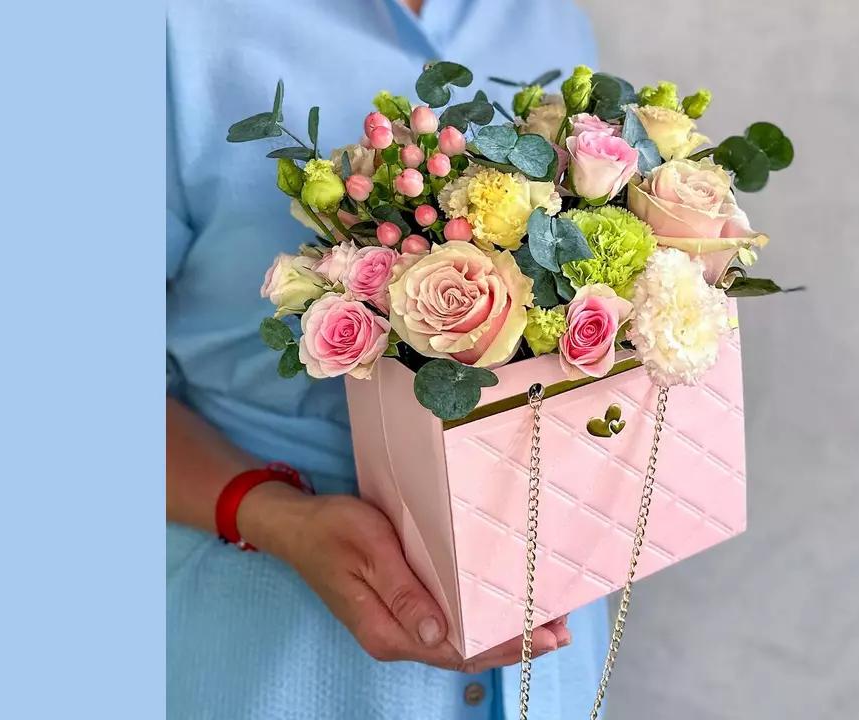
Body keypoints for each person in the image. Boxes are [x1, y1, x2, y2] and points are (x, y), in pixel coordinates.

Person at [166, 0, 610, 717]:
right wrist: (275, 516)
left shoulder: (549, 18)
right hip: (278, 637)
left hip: (545, 636)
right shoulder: (170, 28)